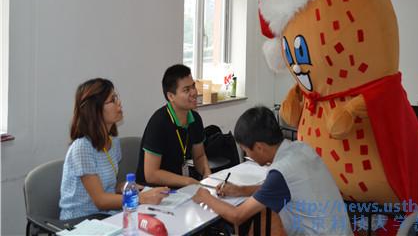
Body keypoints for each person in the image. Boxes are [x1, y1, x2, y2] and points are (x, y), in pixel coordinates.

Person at [192, 106, 353, 236]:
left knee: (262, 218)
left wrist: (206, 197)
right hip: (340, 230)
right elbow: (282, 190)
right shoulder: (300, 148)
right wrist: (239, 190)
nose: (247, 155)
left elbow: (238, 215)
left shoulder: (281, 171)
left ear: (259, 147)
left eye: (245, 150)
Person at [59, 78, 168, 220]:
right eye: (112, 100)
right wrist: (141, 197)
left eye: (117, 98)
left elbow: (106, 187)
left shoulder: (113, 143)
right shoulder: (82, 148)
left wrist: (124, 187)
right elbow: (101, 201)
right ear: (95, 109)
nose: (119, 103)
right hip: (79, 221)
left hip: (106, 216)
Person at [136, 64, 211, 187]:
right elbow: (151, 174)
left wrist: (207, 174)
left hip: (179, 188)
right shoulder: (159, 123)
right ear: (171, 96)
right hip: (152, 192)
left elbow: (199, 156)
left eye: (193, 86)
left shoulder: (195, 119)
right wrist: (187, 181)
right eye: (186, 90)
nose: (194, 92)